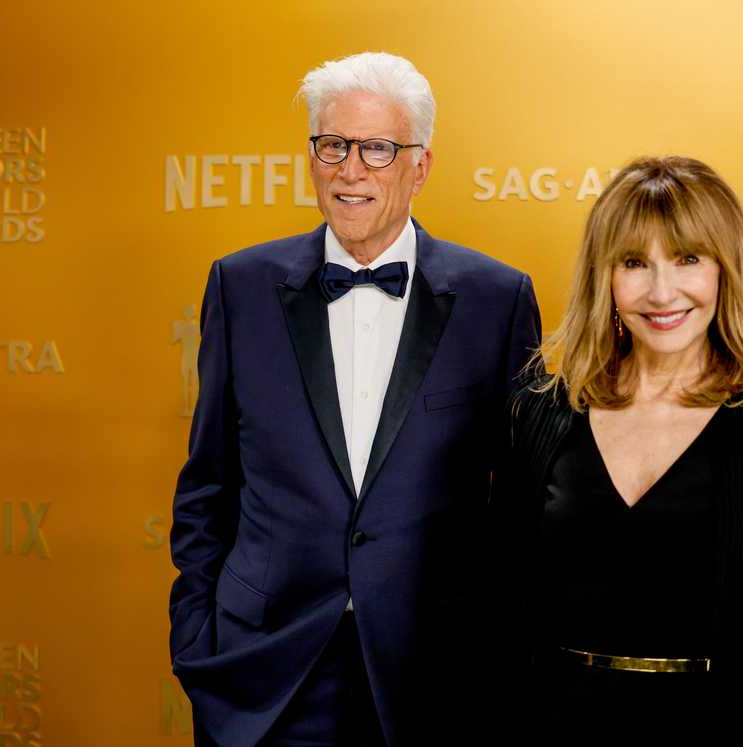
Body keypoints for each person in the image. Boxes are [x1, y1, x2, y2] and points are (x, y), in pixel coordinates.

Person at [168, 52, 541, 747]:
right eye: (333, 145)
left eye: (377, 148)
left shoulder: (497, 299)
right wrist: (197, 639)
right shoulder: (239, 286)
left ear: (420, 167)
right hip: (265, 674)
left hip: (434, 675)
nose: (350, 170)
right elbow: (207, 486)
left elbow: (518, 509)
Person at [499, 156, 743, 745]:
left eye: (688, 259)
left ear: (725, 270)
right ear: (605, 278)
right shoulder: (537, 414)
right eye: (634, 263)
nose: (662, 292)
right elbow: (501, 619)